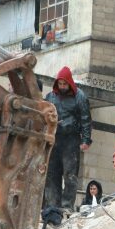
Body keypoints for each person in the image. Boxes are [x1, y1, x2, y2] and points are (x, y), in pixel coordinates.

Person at [44, 67, 92, 211]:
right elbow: (44, 115)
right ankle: (52, 205)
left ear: (69, 83)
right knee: (52, 174)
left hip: (71, 140)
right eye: (60, 84)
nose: (62, 87)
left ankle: (66, 206)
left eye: (65, 84)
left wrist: (86, 140)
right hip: (54, 139)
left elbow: (86, 119)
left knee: (70, 174)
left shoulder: (79, 96)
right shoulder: (50, 97)